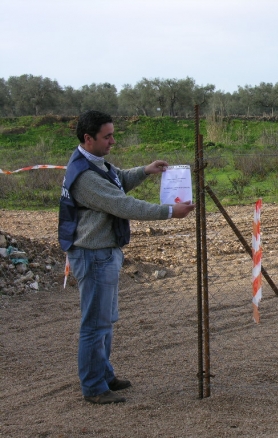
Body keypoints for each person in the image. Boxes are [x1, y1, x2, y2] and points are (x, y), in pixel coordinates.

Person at [58, 110, 196, 405]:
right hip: (93, 255)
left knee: (103, 320)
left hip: (102, 253)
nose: (112, 141)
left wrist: (145, 171)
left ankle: (104, 375)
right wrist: (170, 211)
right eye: (107, 136)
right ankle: (94, 386)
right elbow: (122, 204)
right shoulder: (85, 177)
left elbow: (118, 179)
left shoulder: (93, 163)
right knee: (95, 323)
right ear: (88, 138)